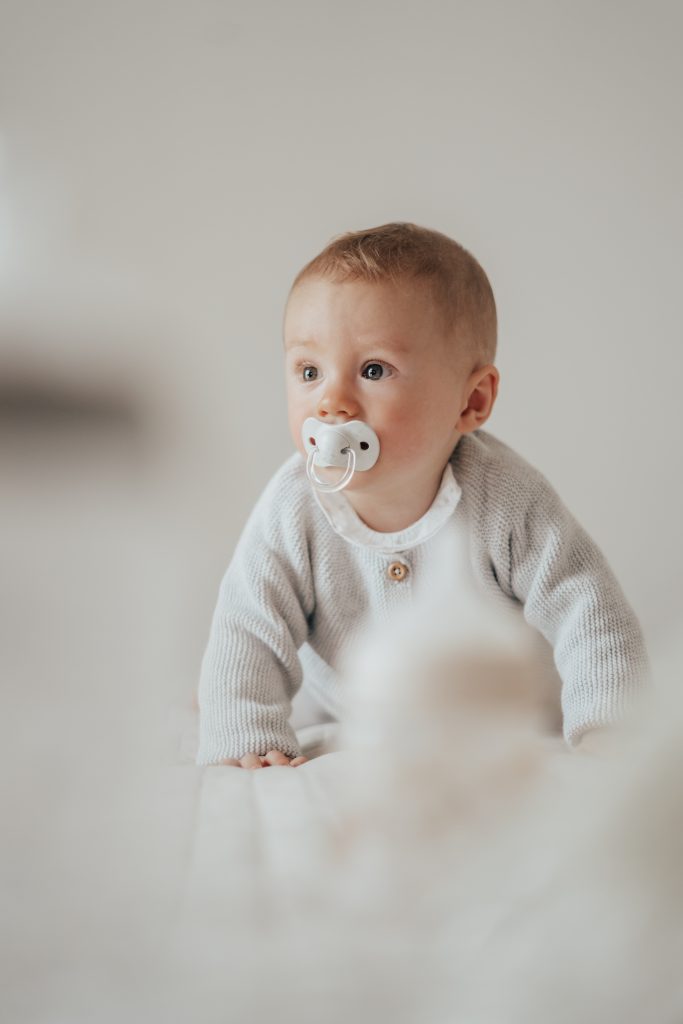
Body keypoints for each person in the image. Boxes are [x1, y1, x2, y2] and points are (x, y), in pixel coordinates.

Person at [196, 222, 648, 768]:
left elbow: (587, 607)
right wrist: (248, 729)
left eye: (373, 369)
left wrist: (609, 725)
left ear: (471, 401)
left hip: (500, 720)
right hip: (352, 717)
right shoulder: (293, 507)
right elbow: (248, 625)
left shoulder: (506, 500)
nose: (331, 402)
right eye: (309, 371)